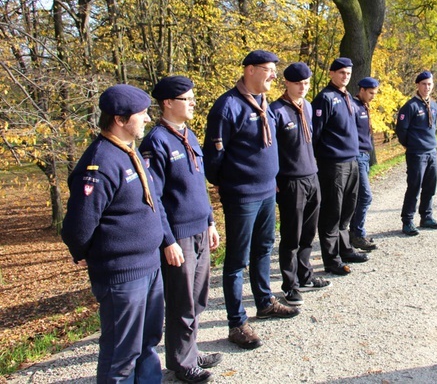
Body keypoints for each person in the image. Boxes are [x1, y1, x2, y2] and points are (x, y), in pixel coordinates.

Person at [61, 84, 181, 383]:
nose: (147, 118)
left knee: (147, 342)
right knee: (121, 356)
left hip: (149, 266)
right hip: (122, 276)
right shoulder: (100, 163)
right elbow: (77, 229)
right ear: (119, 119)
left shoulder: (129, 152)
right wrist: (107, 260)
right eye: (141, 114)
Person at [203, 50, 299, 351]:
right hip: (242, 195)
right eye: (269, 70)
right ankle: (236, 322)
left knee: (263, 249)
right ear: (250, 70)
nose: (274, 75)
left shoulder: (264, 104)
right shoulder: (227, 106)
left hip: (267, 191)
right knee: (236, 260)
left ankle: (264, 301)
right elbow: (214, 159)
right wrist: (230, 184)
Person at [139, 76, 221, 383]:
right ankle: (182, 363)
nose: (193, 103)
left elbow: (198, 185)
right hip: (180, 236)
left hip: (200, 228)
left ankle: (190, 350)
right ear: (168, 103)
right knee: (182, 300)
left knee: (198, 297)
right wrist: (168, 240)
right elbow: (154, 198)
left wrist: (211, 221)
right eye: (187, 99)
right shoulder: (156, 141)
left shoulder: (189, 135)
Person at [269, 62, 331, 307]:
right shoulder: (276, 111)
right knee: (291, 236)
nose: (303, 87)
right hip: (290, 180)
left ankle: (306, 275)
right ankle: (290, 285)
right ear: (286, 83)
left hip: (311, 175)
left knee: (308, 232)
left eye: (306, 83)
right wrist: (274, 178)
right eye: (298, 83)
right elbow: (270, 149)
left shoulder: (307, 106)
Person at [311, 57, 369, 276]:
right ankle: (331, 259)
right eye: (341, 72)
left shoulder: (347, 97)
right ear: (332, 73)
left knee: (348, 209)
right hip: (333, 165)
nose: (345, 76)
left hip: (352, 161)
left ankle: (345, 249)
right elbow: (315, 134)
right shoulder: (325, 98)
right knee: (331, 213)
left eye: (348, 73)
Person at [396, 71, 437, 236]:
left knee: (430, 186)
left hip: (431, 152)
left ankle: (426, 217)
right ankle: (407, 221)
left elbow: (433, 127)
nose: (427, 87)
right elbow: (401, 130)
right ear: (418, 85)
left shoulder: (434, 105)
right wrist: (412, 145)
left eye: (429, 84)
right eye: (424, 84)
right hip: (417, 154)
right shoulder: (410, 107)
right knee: (414, 187)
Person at [349, 77, 380, 251]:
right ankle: (357, 234)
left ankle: (355, 232)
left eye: (375, 93)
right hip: (357, 156)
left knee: (360, 197)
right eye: (370, 93)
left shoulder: (363, 106)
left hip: (365, 156)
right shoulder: (352, 106)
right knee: (365, 196)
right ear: (361, 90)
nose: (373, 96)